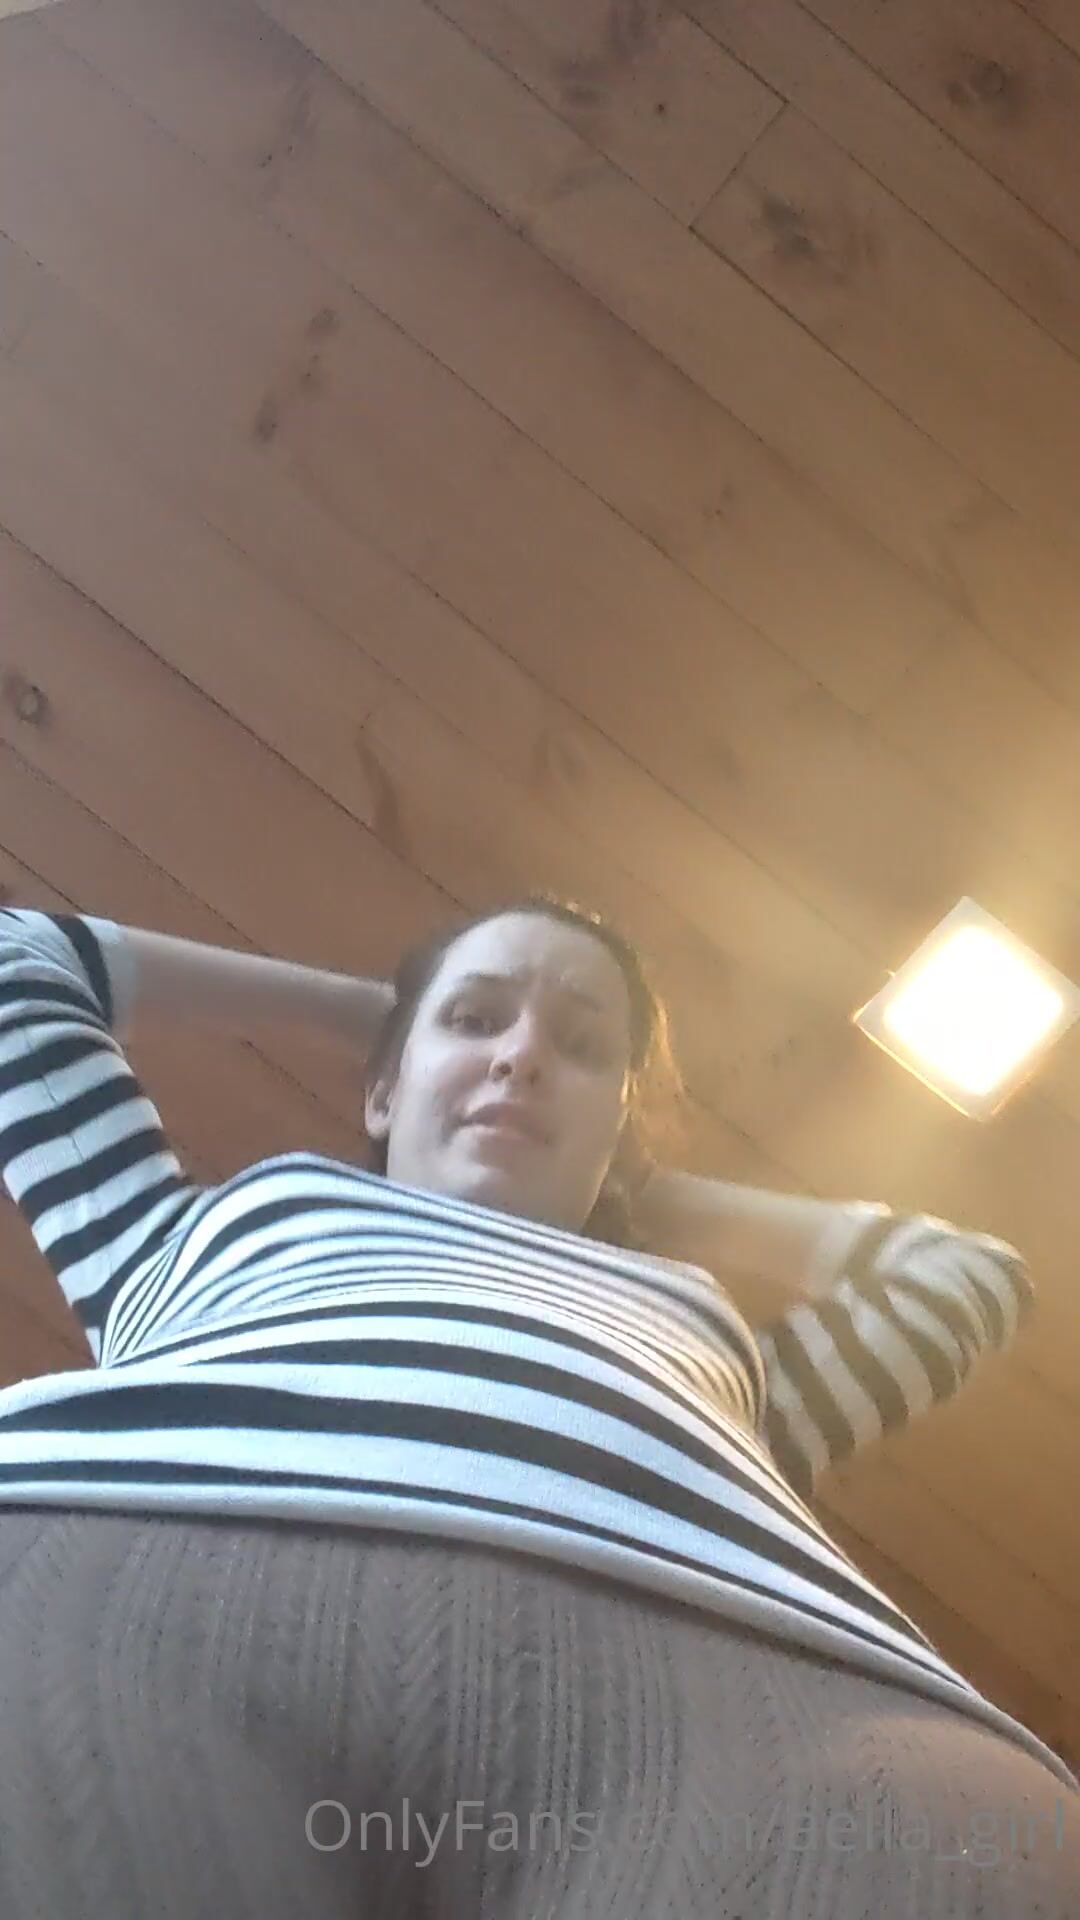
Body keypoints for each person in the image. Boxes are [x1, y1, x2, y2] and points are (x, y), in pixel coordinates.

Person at [0, 894, 1074, 1919]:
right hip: (129, 1562)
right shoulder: (175, 1237)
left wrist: (621, 1176)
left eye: (583, 1046)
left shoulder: (727, 1366)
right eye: (475, 1019)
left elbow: (969, 1277)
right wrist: (373, 1011)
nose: (521, 1054)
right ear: (382, 1090)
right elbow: (19, 957)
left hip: (747, 1667)